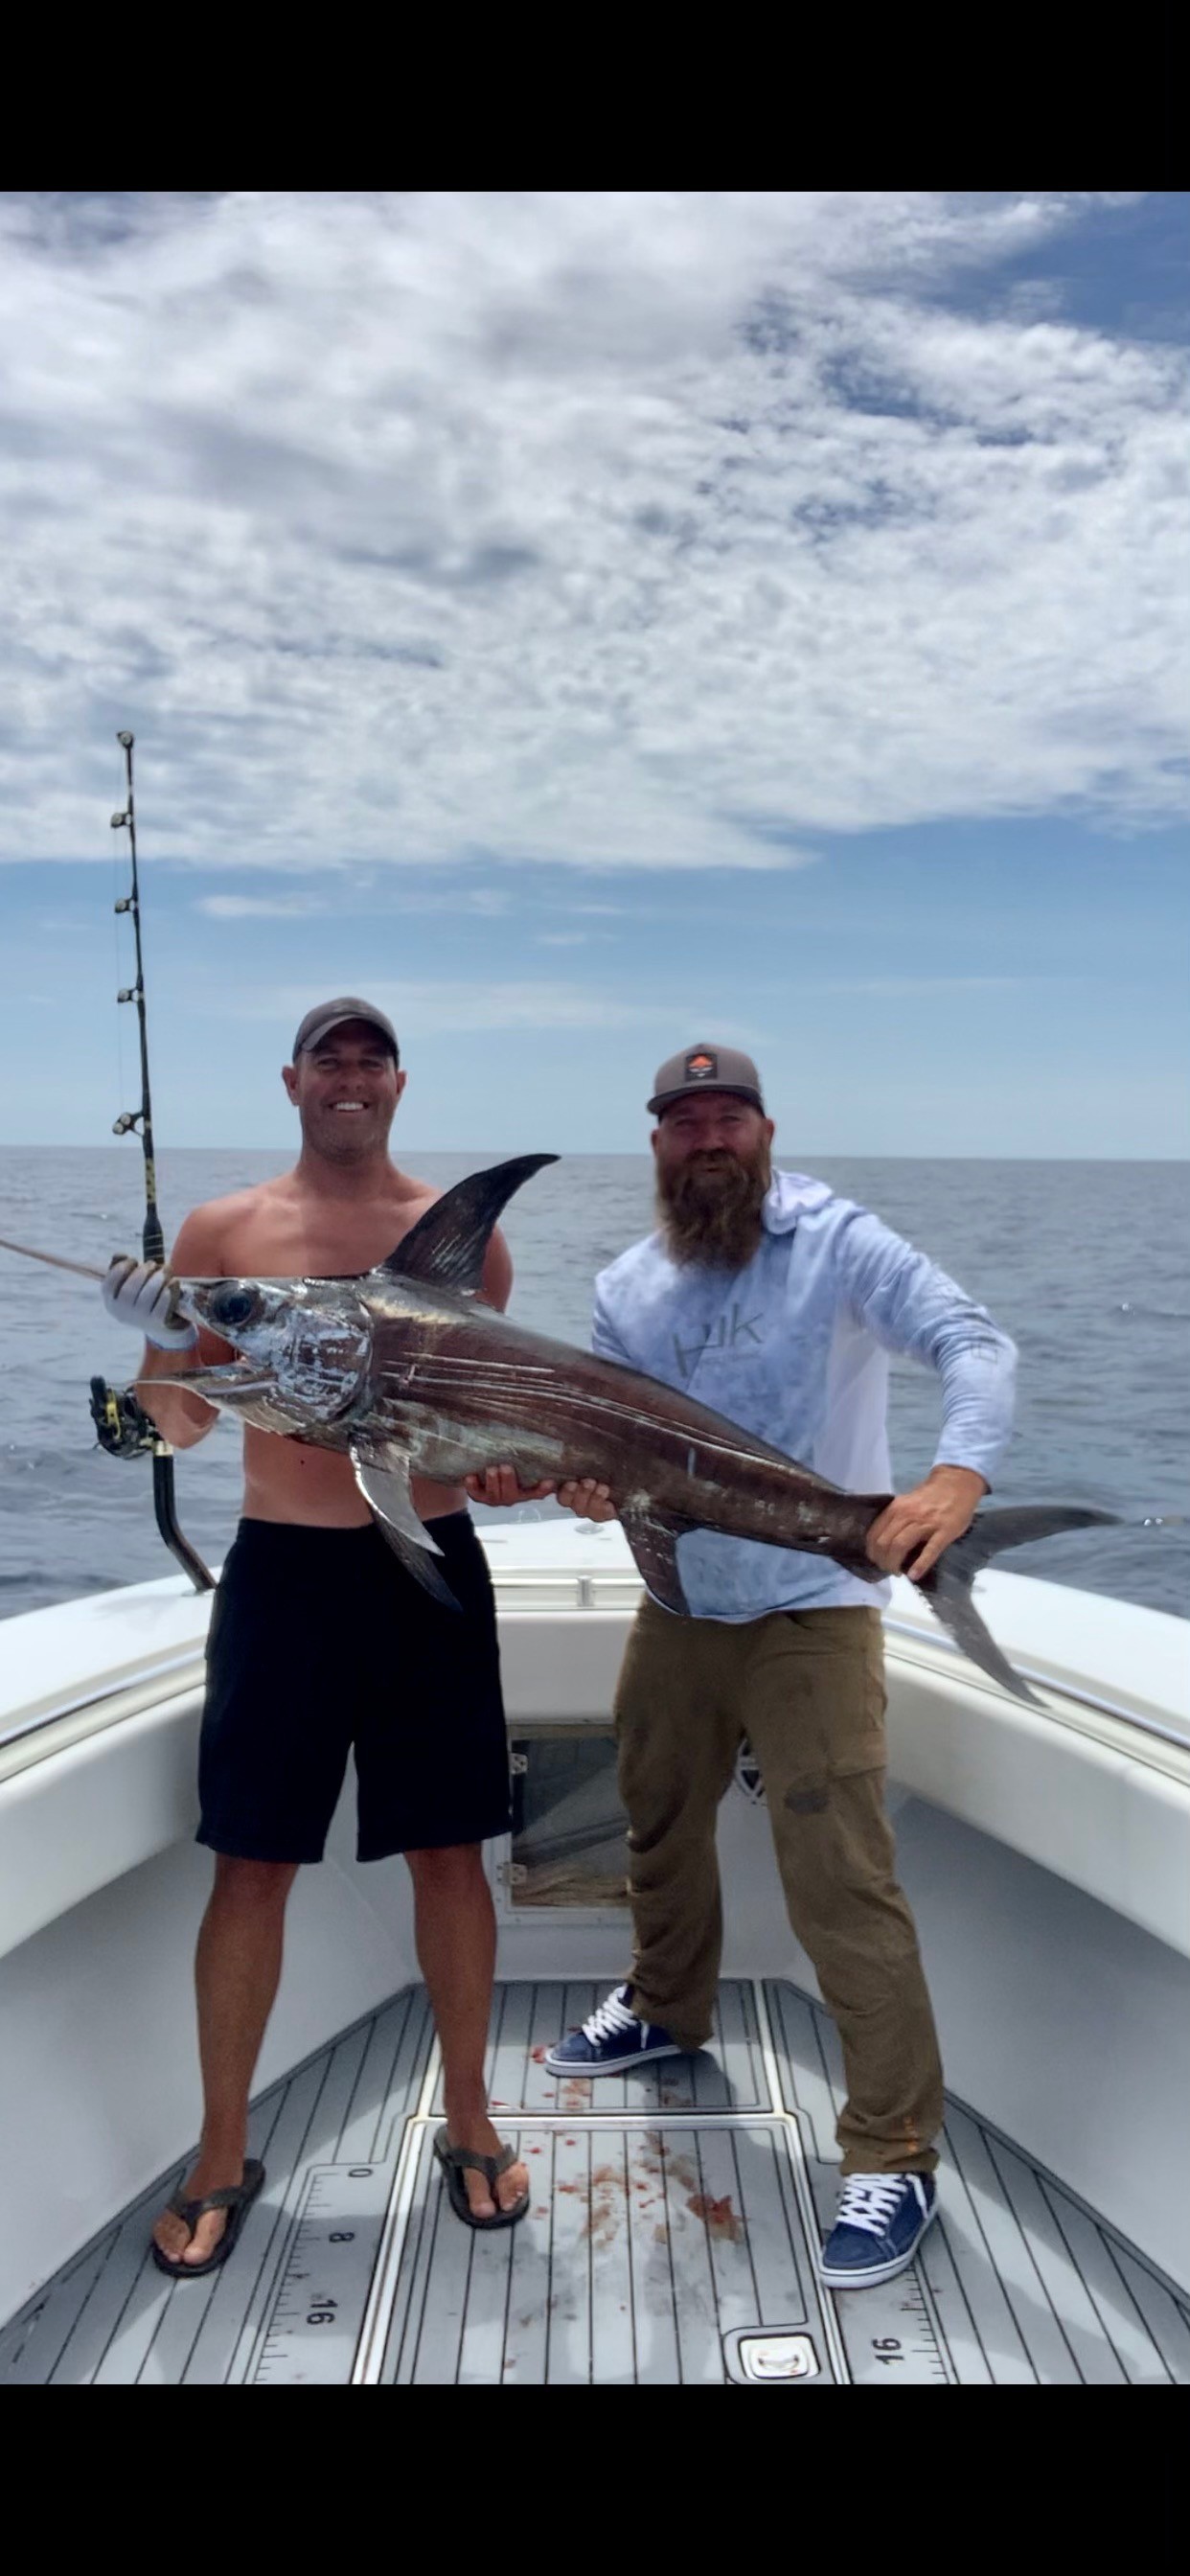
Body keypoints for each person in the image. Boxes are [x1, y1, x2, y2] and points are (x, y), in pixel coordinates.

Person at [469, 1042, 1018, 2289]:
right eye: (683, 1121)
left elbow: (971, 1342)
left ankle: (890, 2156)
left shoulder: (839, 1244)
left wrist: (955, 1471)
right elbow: (611, 1463)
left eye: (728, 1117)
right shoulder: (624, 1285)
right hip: (675, 1607)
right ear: (654, 1143)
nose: (706, 1137)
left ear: (766, 1131)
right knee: (651, 1819)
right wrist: (551, 1483)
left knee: (838, 1883)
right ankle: (665, 2007)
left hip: (814, 1608)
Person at [103, 999, 530, 2274]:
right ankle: (223, 2147)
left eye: (368, 1060)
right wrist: (162, 1344)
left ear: (398, 1081)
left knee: (450, 1857)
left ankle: (468, 2115)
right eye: (327, 1060)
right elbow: (171, 1429)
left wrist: (504, 1473)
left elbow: (477, 1420)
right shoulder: (225, 1234)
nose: (348, 1078)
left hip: (427, 1565)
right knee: (252, 1865)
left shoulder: (463, 1243)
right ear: (293, 1081)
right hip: (285, 1572)